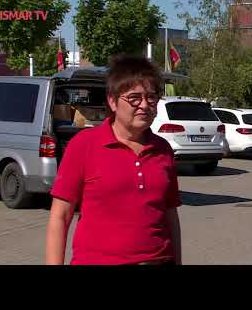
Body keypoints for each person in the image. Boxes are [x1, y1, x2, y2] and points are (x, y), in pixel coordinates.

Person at [46, 55, 182, 265]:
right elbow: (60, 216)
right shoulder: (84, 145)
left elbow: (170, 214)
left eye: (151, 97)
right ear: (112, 101)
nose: (144, 105)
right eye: (134, 98)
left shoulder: (162, 149)